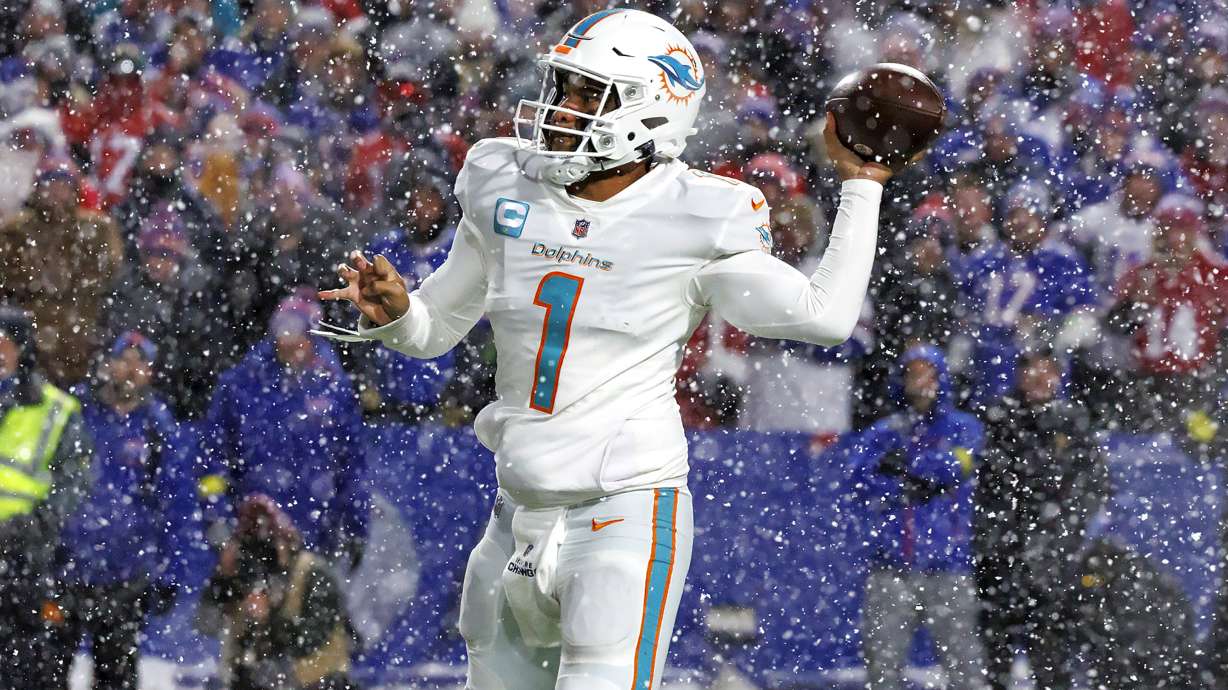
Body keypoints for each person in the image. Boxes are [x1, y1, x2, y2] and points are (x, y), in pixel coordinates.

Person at [315, 9, 900, 688]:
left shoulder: (697, 215)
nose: (563, 106)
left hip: (621, 513)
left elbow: (824, 317)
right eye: (563, 85)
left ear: (652, 112)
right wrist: (398, 314)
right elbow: (434, 329)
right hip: (514, 518)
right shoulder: (503, 179)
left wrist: (862, 186)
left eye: (590, 94)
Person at [43, 332, 193, 690]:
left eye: (141, 363)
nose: (131, 369)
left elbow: (177, 501)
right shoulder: (74, 412)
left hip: (127, 578)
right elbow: (46, 480)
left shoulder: (159, 427)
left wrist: (172, 571)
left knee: (117, 674)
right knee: (46, 668)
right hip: (68, 567)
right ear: (107, 364)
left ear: (152, 373)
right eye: (124, 359)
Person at [846, 345, 988, 690]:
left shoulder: (963, 427)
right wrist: (904, 486)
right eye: (914, 373)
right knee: (883, 671)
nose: (921, 381)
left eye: (929, 373)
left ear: (942, 379)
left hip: (948, 568)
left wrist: (907, 467)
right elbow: (857, 480)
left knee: (965, 670)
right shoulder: (885, 431)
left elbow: (959, 465)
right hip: (892, 568)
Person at [974, 349, 1108, 690]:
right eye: (1032, 370)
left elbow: (1091, 487)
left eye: (1048, 371)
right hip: (1001, 561)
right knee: (996, 662)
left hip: (1050, 564)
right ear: (1019, 376)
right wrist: (998, 540)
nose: (1040, 379)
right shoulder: (997, 418)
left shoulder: (1073, 420)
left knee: (1050, 663)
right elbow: (986, 486)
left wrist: (1061, 539)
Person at [202, 292, 368, 566]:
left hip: (314, 535)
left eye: (297, 331)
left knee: (307, 603)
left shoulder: (334, 390)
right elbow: (213, 458)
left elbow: (351, 464)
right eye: (281, 330)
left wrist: (355, 527)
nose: (288, 341)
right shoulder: (242, 385)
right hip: (252, 536)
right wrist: (218, 517)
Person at [0, 306, 93, 689]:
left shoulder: (57, 412)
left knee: (24, 670)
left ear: (21, 350)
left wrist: (26, 529)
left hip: (23, 566)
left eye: (5, 344)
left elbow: (72, 486)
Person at [198, 494, 358, 690]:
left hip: (317, 681)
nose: (264, 559)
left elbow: (309, 642)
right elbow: (206, 625)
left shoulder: (312, 573)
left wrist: (268, 618)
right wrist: (222, 578)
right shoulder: (241, 578)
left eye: (271, 545)